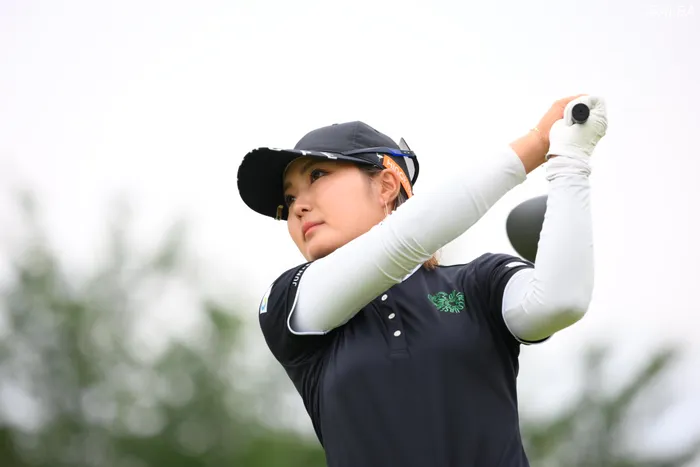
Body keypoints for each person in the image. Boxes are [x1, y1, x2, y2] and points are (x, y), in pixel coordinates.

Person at [236, 95, 608, 467]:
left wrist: (569, 161)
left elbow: (559, 302)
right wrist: (537, 142)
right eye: (289, 198)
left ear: (386, 185)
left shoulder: (478, 284)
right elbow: (404, 240)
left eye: (317, 175)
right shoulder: (289, 304)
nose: (298, 207)